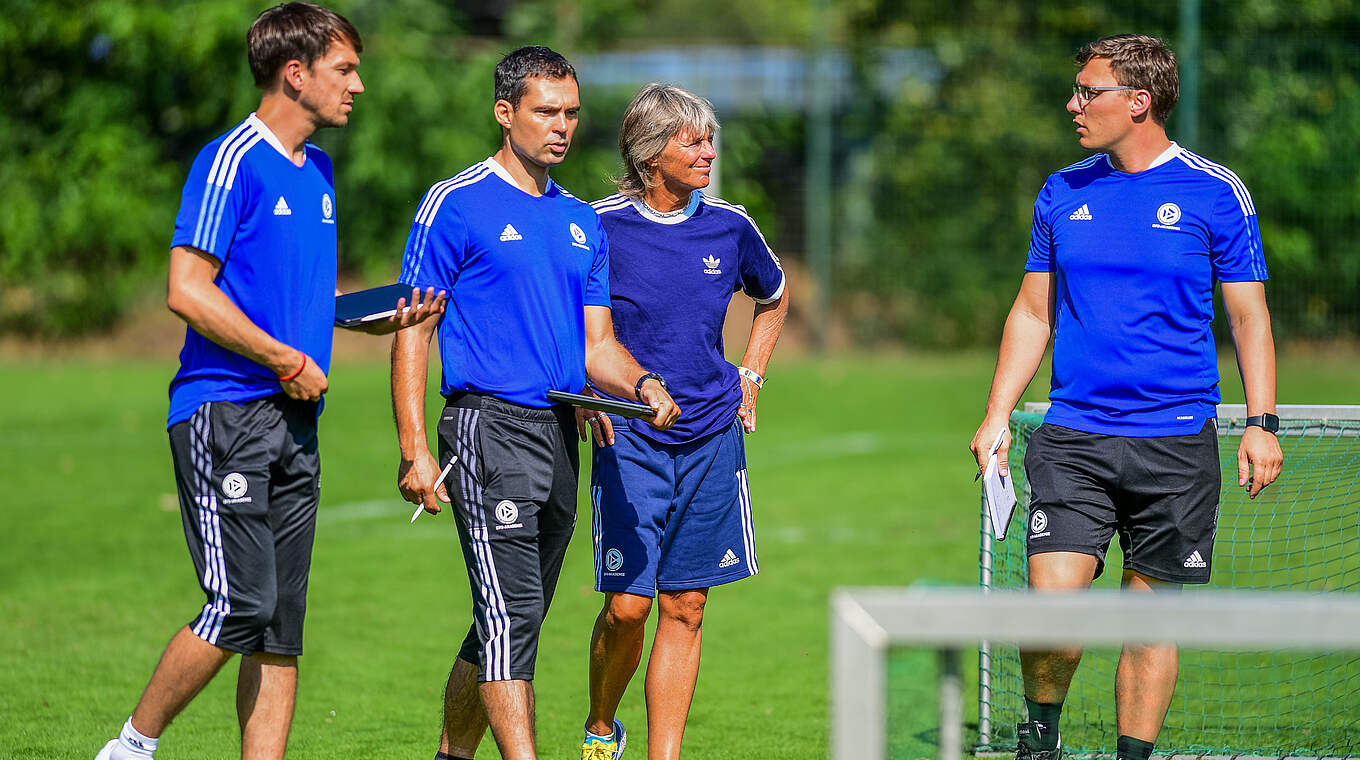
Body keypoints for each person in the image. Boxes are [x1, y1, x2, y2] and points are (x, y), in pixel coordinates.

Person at [94, 5, 445, 760]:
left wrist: (376, 317)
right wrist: (282, 358)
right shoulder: (229, 159)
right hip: (226, 413)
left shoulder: (317, 172)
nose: (358, 84)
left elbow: (297, 304)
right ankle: (129, 747)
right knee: (240, 604)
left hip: (296, 425)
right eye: (344, 69)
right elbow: (187, 288)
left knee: (280, 632)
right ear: (296, 72)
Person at [968, 34, 1283, 760]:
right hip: (1073, 437)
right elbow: (1031, 313)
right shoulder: (1062, 190)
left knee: (1147, 622)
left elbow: (1248, 317)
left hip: (1175, 444)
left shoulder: (1215, 192)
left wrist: (1261, 422)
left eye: (1089, 91)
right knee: (1054, 614)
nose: (1073, 104)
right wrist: (995, 413)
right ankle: (1039, 739)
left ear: (1138, 102)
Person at [390, 47, 681, 760]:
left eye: (572, 113)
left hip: (561, 432)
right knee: (510, 616)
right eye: (545, 111)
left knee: (511, 620)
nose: (562, 126)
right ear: (505, 112)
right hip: (487, 430)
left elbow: (598, 346)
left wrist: (641, 385)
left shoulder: (582, 221)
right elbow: (412, 333)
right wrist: (415, 447)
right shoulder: (454, 203)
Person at [580, 83, 789, 760]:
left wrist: (750, 377)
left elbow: (775, 296)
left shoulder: (730, 225)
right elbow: (566, 324)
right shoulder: (595, 226)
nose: (709, 151)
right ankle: (601, 728)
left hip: (711, 438)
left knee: (686, 605)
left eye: (709, 138)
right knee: (628, 607)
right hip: (628, 435)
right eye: (692, 140)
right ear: (648, 154)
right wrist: (584, 389)